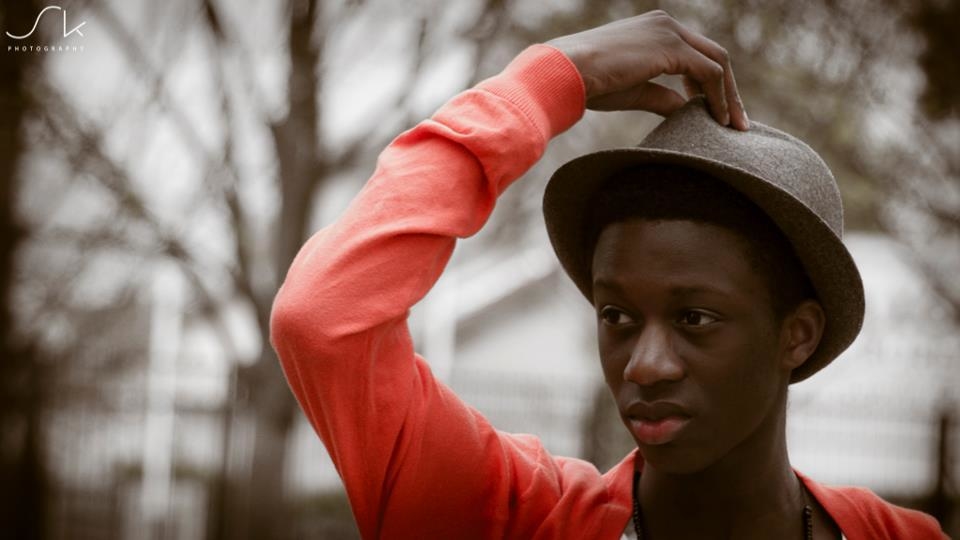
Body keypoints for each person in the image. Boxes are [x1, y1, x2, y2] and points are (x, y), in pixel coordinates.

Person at [270, 10, 947, 539]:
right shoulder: (517, 519)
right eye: (616, 316)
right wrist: (554, 77)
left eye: (694, 318)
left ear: (797, 334)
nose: (643, 365)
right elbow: (322, 318)